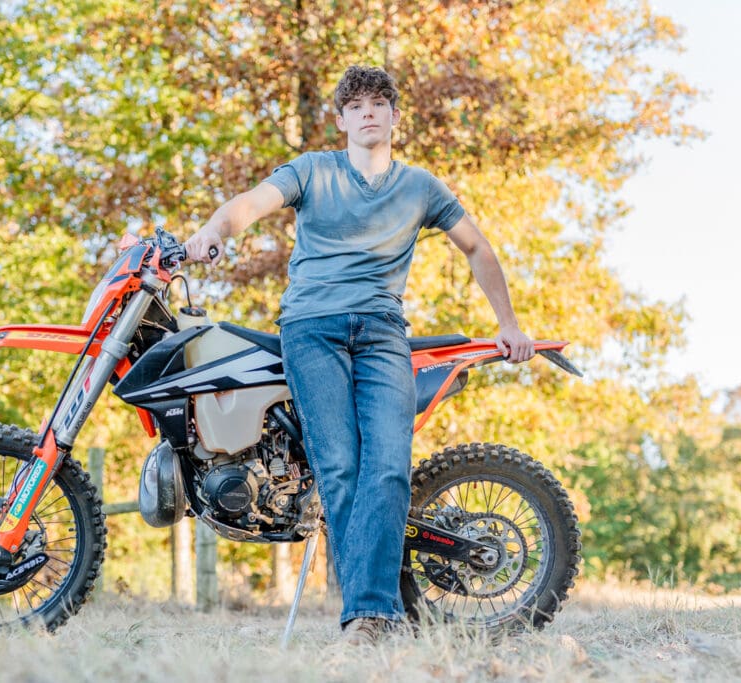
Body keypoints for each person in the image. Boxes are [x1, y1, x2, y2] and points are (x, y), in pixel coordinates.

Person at [185, 65, 534, 645]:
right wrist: (213, 231)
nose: (368, 112)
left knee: (389, 467)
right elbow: (251, 203)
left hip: (382, 331)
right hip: (311, 329)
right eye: (356, 105)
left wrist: (509, 324)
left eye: (378, 103)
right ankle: (371, 618)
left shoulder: (420, 186)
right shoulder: (313, 170)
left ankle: (371, 616)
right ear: (343, 120)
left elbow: (477, 247)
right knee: (339, 467)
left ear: (394, 116)